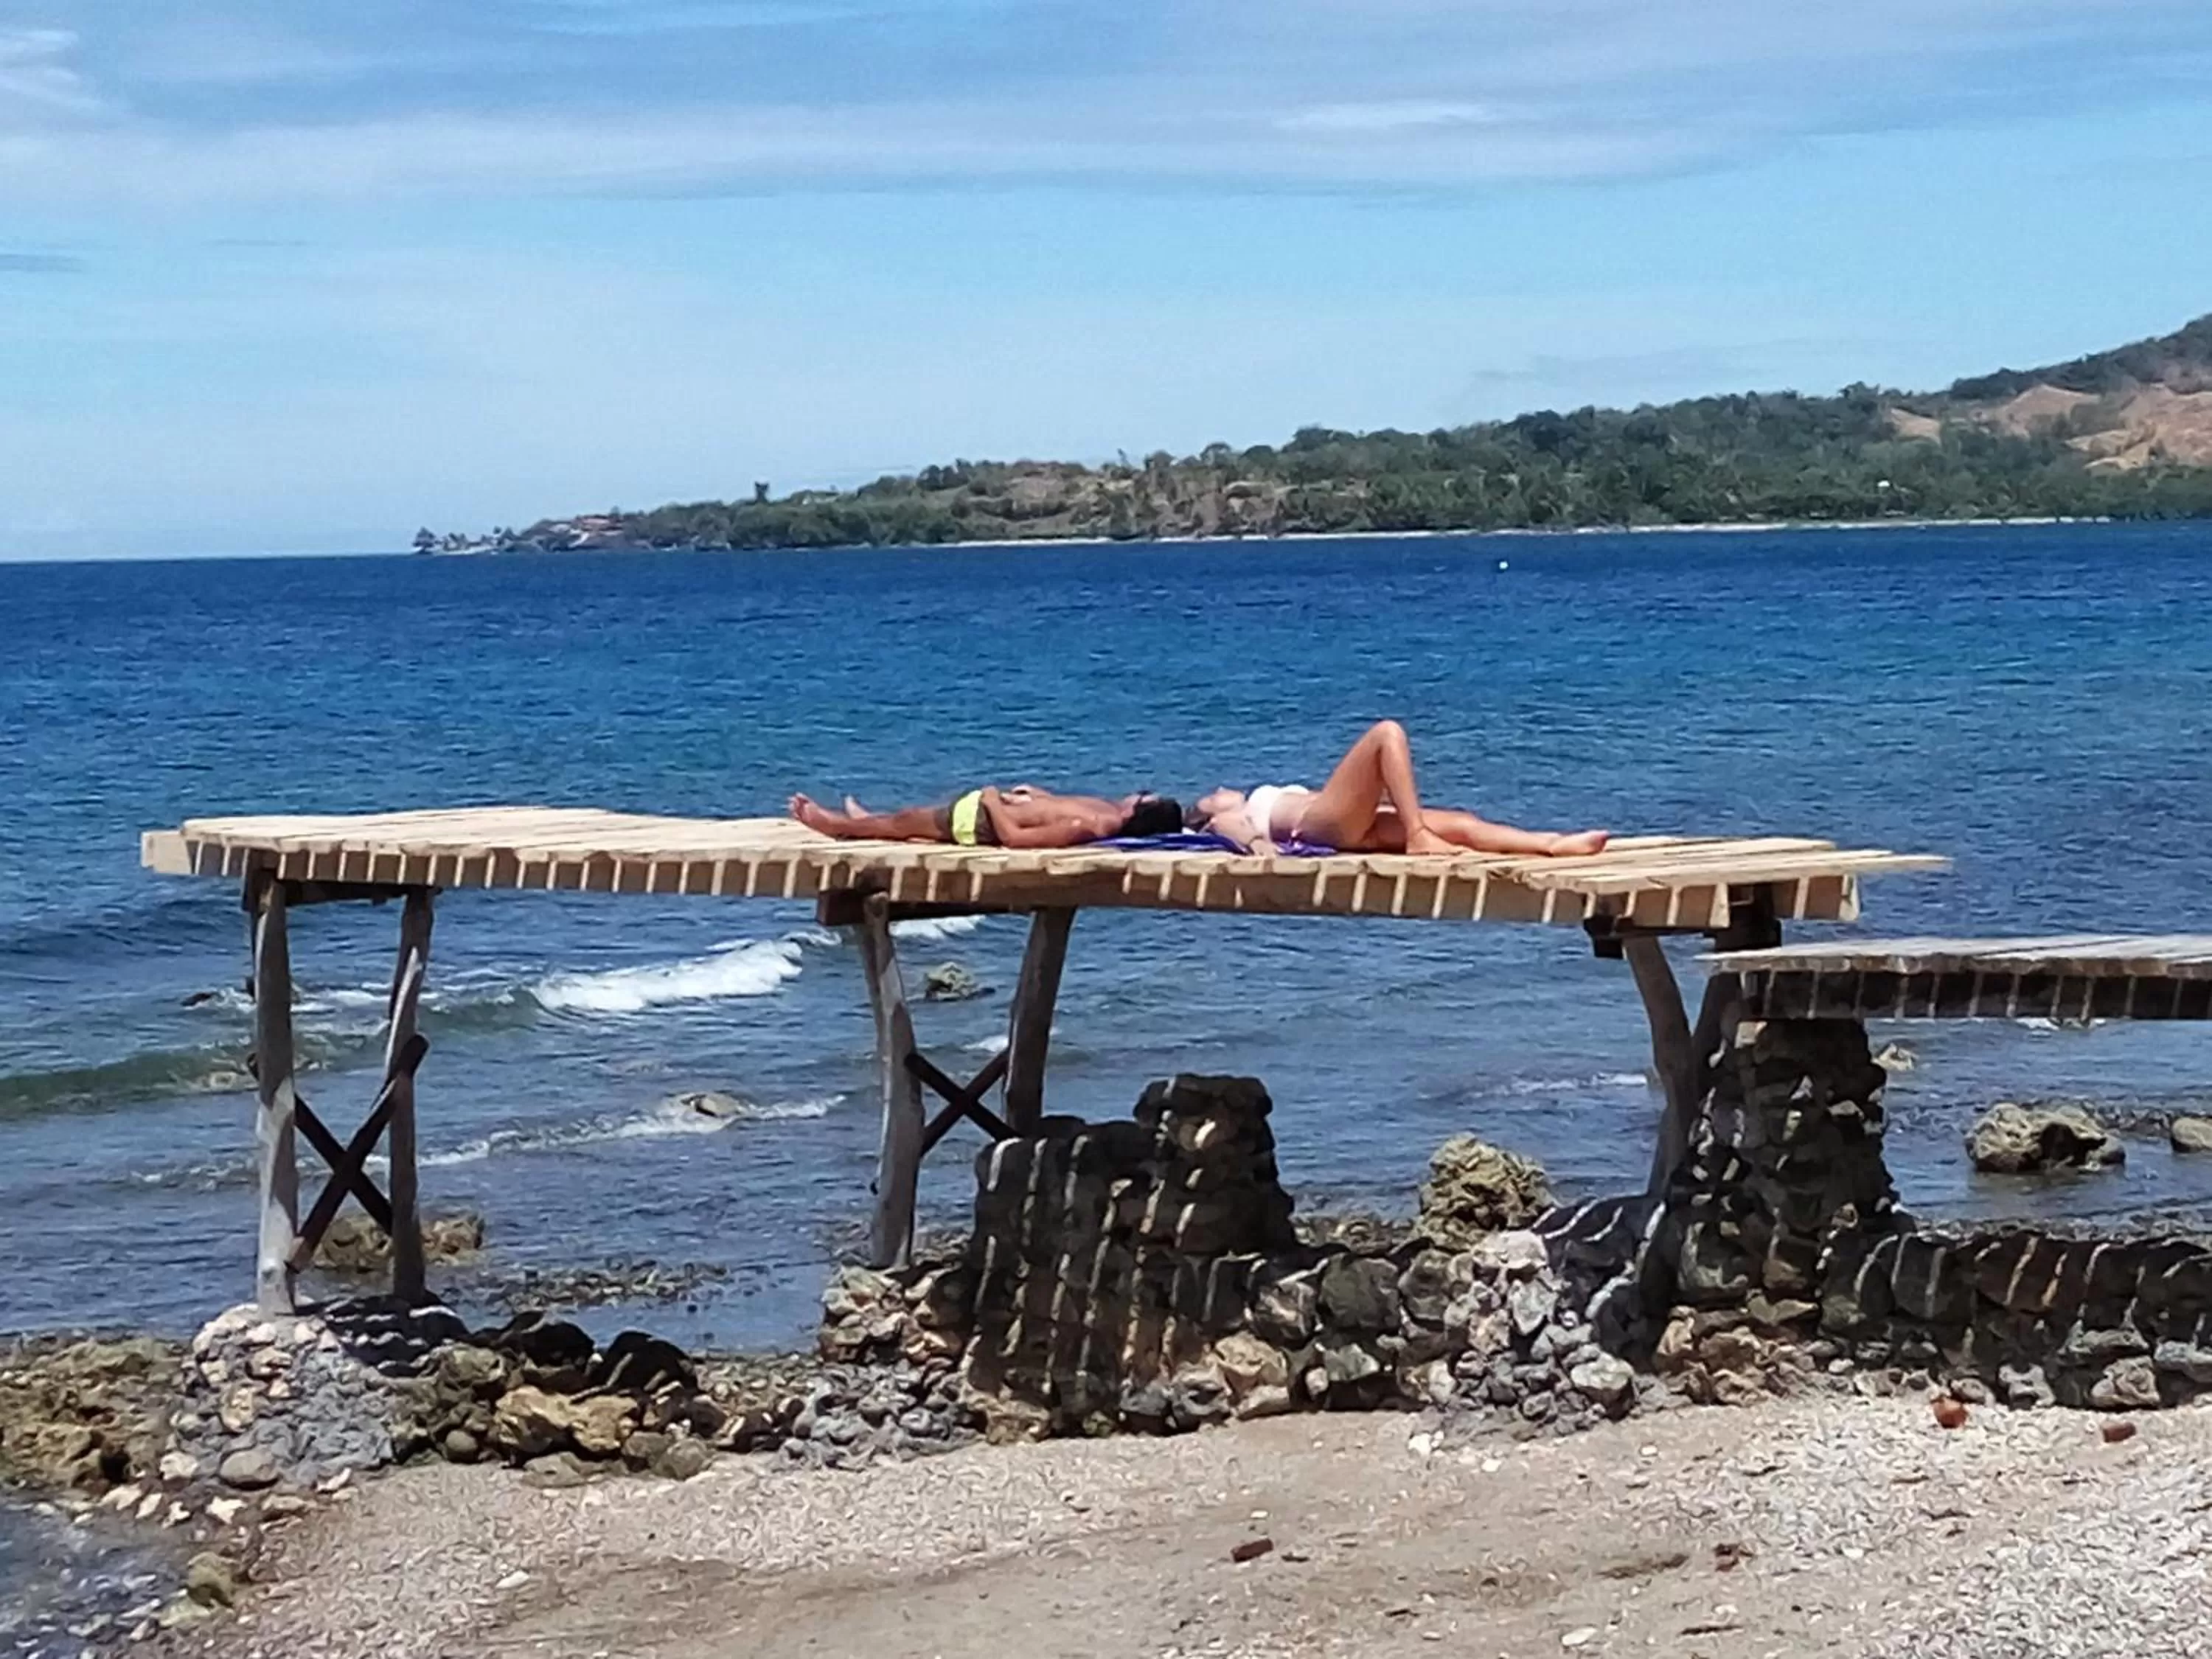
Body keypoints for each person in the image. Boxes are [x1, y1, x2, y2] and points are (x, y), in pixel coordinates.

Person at [1189, 720, 1609, 858]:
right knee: (1387, 734)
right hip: (1317, 827)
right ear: (1203, 813)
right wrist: (1262, 848)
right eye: (1211, 794)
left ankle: (1552, 845)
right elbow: (1237, 833)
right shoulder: (1222, 819)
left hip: (1348, 826)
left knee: (1461, 823)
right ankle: (1418, 836)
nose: (1220, 788)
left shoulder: (1252, 798)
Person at [790, 784, 1185, 849]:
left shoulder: (1091, 826)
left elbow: (1016, 840)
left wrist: (995, 802)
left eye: (1144, 795)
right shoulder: (1106, 811)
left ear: (1139, 809)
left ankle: (838, 826)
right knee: (909, 823)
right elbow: (1054, 808)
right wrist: (1038, 795)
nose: (1138, 790)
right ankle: (865, 824)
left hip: (982, 820)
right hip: (986, 812)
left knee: (908, 820)